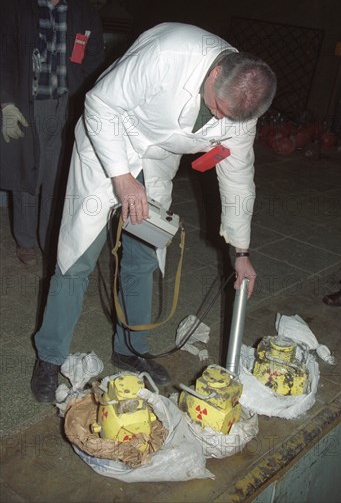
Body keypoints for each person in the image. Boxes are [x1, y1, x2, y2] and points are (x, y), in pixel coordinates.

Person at [30, 21, 277, 402]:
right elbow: (99, 103)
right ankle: (49, 356)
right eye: (216, 109)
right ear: (215, 73)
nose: (221, 121)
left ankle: (131, 349)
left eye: (231, 118)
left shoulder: (242, 106)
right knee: (77, 255)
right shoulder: (168, 54)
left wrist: (241, 252)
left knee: (143, 258)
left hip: (157, 162)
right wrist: (123, 177)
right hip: (107, 144)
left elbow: (239, 179)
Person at [0, 0, 105, 268]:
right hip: (25, 105)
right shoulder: (12, 1)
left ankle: (49, 240)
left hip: (65, 106)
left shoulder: (83, 9)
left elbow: (94, 57)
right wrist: (5, 102)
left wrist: (86, 101)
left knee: (57, 178)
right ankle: (26, 241)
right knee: (27, 175)